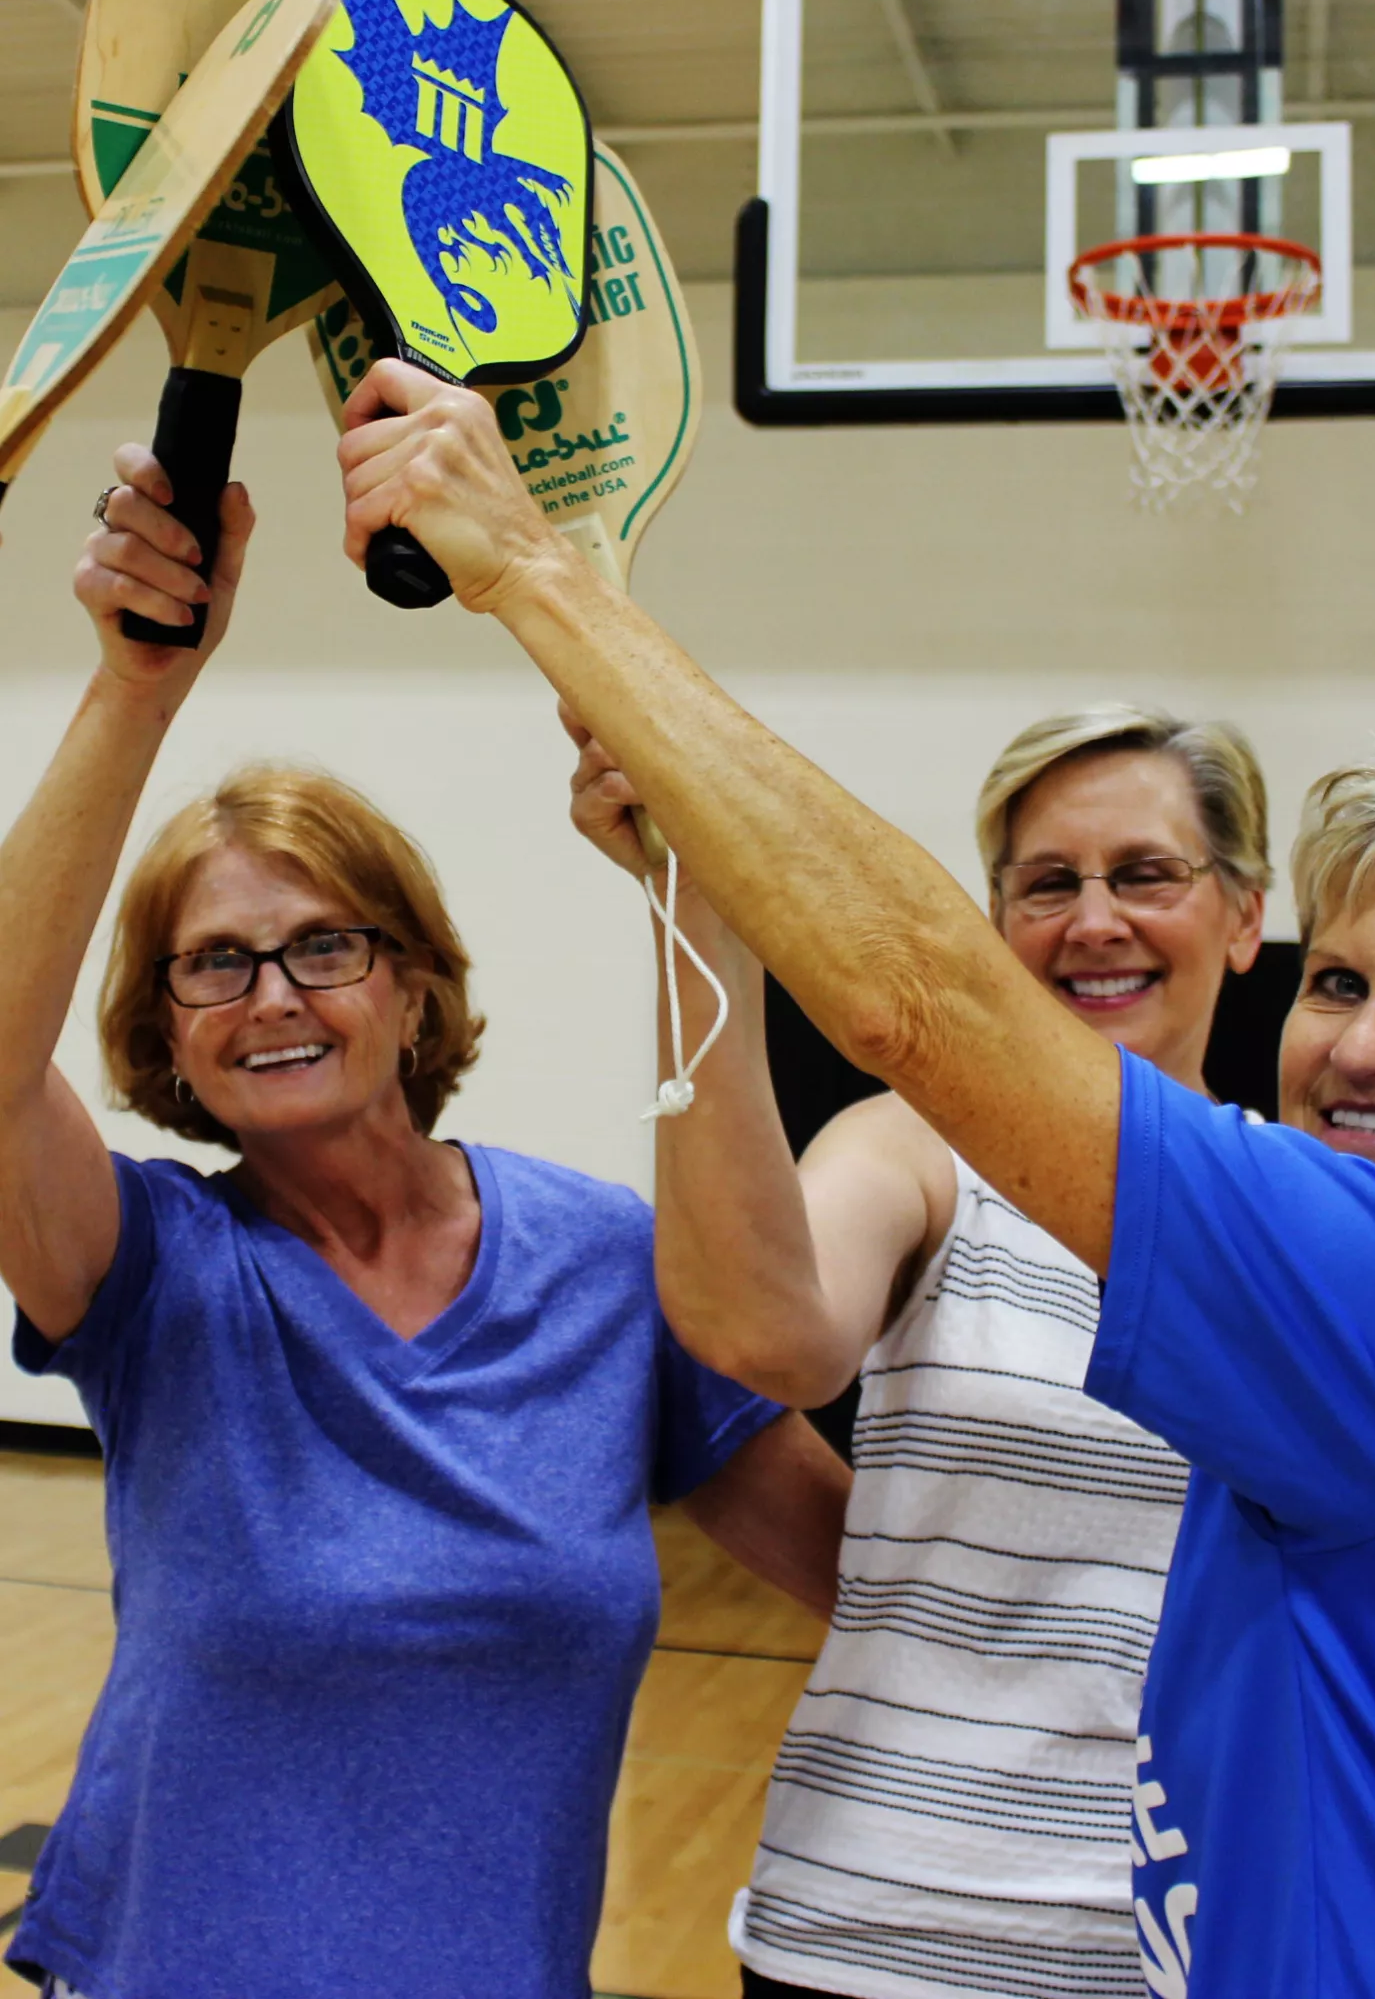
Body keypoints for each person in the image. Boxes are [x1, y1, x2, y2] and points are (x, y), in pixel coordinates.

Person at [336, 362, 1375, 1999]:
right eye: (1340, 986)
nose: (1363, 1044)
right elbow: (764, 1323)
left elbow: (908, 994)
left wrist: (533, 571)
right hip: (939, 1922)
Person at [0, 455, 850, 1999]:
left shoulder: (604, 1265)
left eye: (323, 945)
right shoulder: (152, 1275)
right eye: (214, 964)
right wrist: (134, 692)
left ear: (410, 984)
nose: (269, 997)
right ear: (165, 1031)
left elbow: (868, 1574)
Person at [570, 704, 1268, 1999]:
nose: (1093, 919)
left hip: (1187, 1951)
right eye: (1046, 883)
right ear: (997, 925)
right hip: (869, 1938)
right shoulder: (915, 1153)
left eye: (1145, 874)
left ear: (1241, 916)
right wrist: (694, 913)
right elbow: (766, 1331)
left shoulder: (1301, 1212)